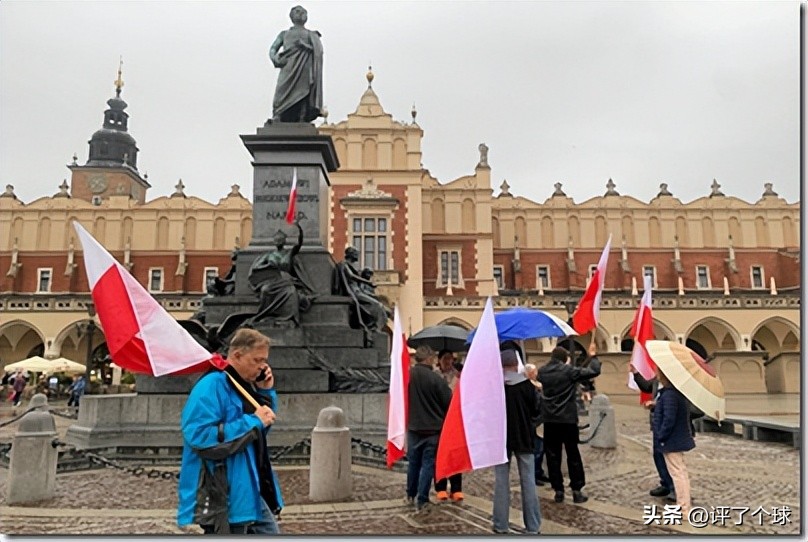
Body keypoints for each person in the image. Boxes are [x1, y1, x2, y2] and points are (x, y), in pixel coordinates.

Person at [177, 328, 283, 534]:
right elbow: (198, 435)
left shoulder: (241, 384)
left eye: (264, 361)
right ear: (237, 355)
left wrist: (265, 392)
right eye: (257, 360)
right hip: (224, 491)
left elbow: (257, 434)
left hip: (247, 487)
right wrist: (253, 421)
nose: (263, 367)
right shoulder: (212, 384)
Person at [538, 342, 601, 504]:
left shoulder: (543, 372)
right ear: (565, 358)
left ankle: (558, 490)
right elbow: (593, 371)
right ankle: (576, 490)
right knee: (573, 454)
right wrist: (593, 357)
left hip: (550, 419)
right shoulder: (568, 371)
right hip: (567, 419)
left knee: (552, 455)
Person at [631, 364, 703, 503]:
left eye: (658, 371)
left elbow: (671, 415)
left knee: (677, 470)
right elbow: (647, 387)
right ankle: (667, 485)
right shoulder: (663, 388)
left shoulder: (672, 391)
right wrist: (636, 374)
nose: (655, 373)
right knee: (664, 461)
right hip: (663, 430)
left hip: (671, 433)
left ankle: (680, 500)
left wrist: (662, 435)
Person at [493, 349, 542, 535]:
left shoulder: (496, 386)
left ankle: (500, 524)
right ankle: (533, 526)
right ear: (516, 364)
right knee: (528, 482)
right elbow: (536, 411)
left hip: (501, 439)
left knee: (501, 483)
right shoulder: (527, 386)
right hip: (525, 437)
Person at [406, 345, 452, 511]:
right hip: (433, 428)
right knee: (427, 465)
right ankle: (422, 498)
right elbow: (449, 402)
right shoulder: (436, 379)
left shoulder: (407, 376)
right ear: (429, 359)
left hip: (413, 426)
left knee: (413, 463)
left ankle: (410, 494)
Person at [248, 222, 312, 326]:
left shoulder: (289, 253)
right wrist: (268, 266)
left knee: (291, 291)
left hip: (286, 279)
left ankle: (287, 317)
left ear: (284, 241)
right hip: (273, 279)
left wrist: (300, 230)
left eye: (280, 239)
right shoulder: (269, 255)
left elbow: (299, 244)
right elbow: (256, 267)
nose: (278, 241)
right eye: (276, 240)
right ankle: (267, 314)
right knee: (265, 290)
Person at [269, 5, 324, 123]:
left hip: (305, 67)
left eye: (303, 12)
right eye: (297, 12)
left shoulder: (311, 35)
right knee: (281, 90)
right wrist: (274, 58)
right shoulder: (284, 34)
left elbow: (318, 52)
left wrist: (305, 46)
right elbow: (273, 48)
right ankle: (278, 114)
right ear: (291, 16)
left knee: (304, 91)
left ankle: (302, 117)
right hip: (288, 67)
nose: (300, 14)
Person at [653, 367, 696, 513]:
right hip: (674, 438)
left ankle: (684, 506)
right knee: (680, 472)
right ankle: (683, 503)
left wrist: (661, 436)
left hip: (671, 440)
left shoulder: (670, 395)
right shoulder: (672, 393)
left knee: (678, 473)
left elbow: (669, 419)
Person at [332, 246, 388, 333]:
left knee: (378, 305)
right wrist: (367, 282)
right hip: (353, 292)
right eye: (356, 254)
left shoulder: (349, 266)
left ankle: (374, 326)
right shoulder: (343, 264)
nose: (358, 256)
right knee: (377, 305)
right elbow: (351, 276)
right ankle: (374, 327)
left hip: (357, 292)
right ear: (351, 254)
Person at [433, 350, 463, 502]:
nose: (448, 362)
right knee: (440, 454)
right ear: (439, 360)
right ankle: (441, 487)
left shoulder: (458, 375)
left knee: (456, 454)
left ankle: (456, 488)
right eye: (445, 359)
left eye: (450, 359)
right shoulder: (434, 375)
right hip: (439, 418)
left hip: (455, 419)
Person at [524, 363, 550, 486]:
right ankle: (533, 475)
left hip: (542, 420)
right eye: (534, 372)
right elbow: (534, 405)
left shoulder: (538, 385)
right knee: (537, 450)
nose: (536, 374)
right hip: (535, 422)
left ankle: (539, 472)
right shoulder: (528, 387)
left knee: (542, 449)